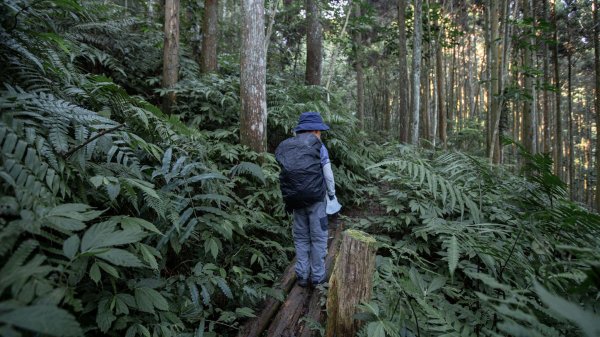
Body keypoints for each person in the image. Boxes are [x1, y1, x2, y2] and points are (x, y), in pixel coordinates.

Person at [275, 111, 337, 287]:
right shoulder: (319, 146)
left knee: (301, 238)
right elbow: (328, 175)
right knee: (318, 238)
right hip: (317, 200)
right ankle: (317, 276)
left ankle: (302, 275)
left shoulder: (290, 146)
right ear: (316, 131)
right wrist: (331, 194)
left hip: (295, 200)